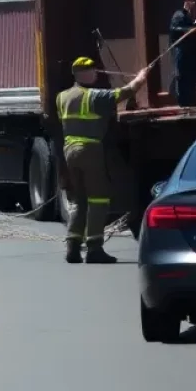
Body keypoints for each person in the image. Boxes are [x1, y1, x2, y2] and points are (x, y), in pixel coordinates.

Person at [55, 57, 148, 264]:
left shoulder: (62, 97)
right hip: (89, 149)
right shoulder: (93, 96)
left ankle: (72, 247)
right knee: (99, 199)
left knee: (79, 200)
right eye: (92, 71)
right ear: (84, 74)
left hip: (70, 150)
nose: (96, 74)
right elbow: (124, 93)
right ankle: (95, 249)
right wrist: (141, 78)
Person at [169, 0, 196, 107]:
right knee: (182, 79)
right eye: (193, 1)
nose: (195, 4)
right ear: (187, 2)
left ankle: (191, 103)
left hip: (192, 54)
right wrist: (192, 29)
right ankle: (183, 104)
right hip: (182, 53)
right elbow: (174, 29)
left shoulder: (191, 17)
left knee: (192, 79)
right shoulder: (179, 15)